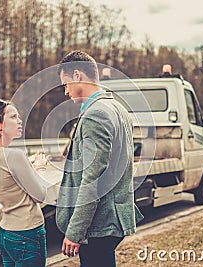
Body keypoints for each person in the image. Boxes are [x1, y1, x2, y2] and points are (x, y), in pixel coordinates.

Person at [55, 50, 144, 267]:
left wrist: (75, 232)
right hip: (112, 216)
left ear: (77, 76)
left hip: (100, 222)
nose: (65, 92)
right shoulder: (117, 107)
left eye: (65, 84)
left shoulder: (97, 113)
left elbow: (92, 180)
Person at [0, 99, 50, 267]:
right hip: (27, 233)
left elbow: (9, 179)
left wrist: (28, 167)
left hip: (6, 234)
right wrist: (40, 168)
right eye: (13, 117)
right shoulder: (14, 156)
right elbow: (40, 195)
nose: (19, 120)